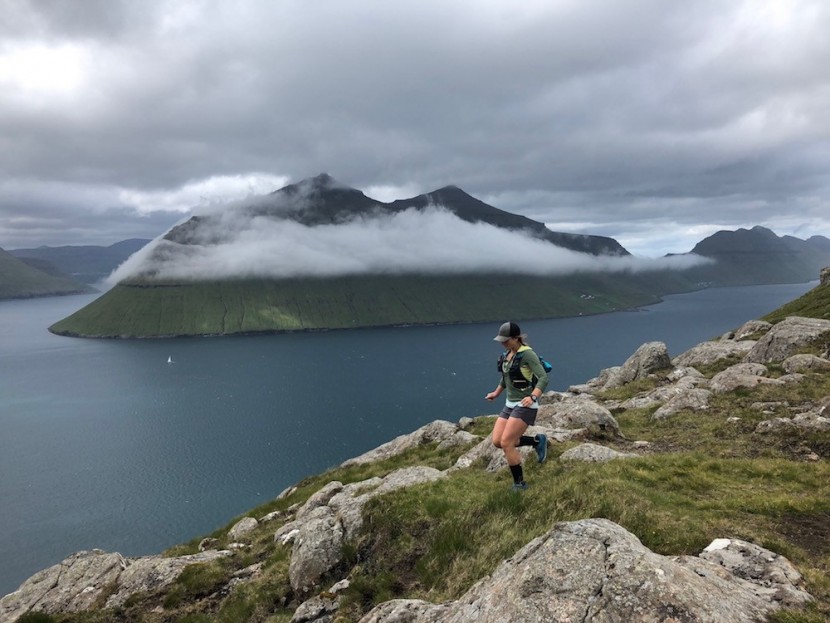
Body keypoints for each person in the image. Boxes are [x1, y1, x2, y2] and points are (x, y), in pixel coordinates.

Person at [485, 321, 549, 491]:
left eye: (506, 340)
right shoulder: (508, 354)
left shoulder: (527, 354)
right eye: (501, 340)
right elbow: (506, 377)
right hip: (510, 404)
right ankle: (537, 441)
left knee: (507, 443)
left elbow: (543, 378)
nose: (502, 343)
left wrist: (533, 397)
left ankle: (519, 484)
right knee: (497, 441)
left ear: (516, 338)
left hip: (525, 404)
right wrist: (496, 393)